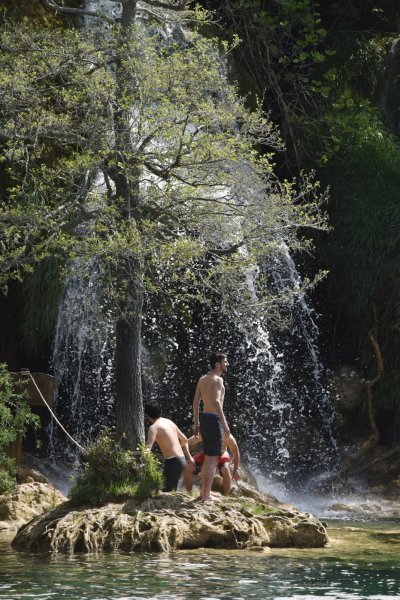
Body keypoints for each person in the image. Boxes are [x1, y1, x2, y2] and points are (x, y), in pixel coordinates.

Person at [192, 351, 231, 501]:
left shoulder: (202, 379)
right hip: (214, 420)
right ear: (217, 364)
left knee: (208, 458)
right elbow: (216, 402)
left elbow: (196, 403)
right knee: (213, 459)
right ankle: (206, 495)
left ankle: (204, 492)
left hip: (204, 419)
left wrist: (196, 423)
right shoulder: (217, 380)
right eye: (225, 362)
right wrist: (225, 425)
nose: (227, 364)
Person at [145, 402, 195, 492]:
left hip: (173, 462)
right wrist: (189, 457)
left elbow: (147, 450)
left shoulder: (154, 428)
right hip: (182, 459)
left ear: (148, 416)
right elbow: (185, 440)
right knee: (172, 492)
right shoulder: (169, 422)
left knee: (166, 493)